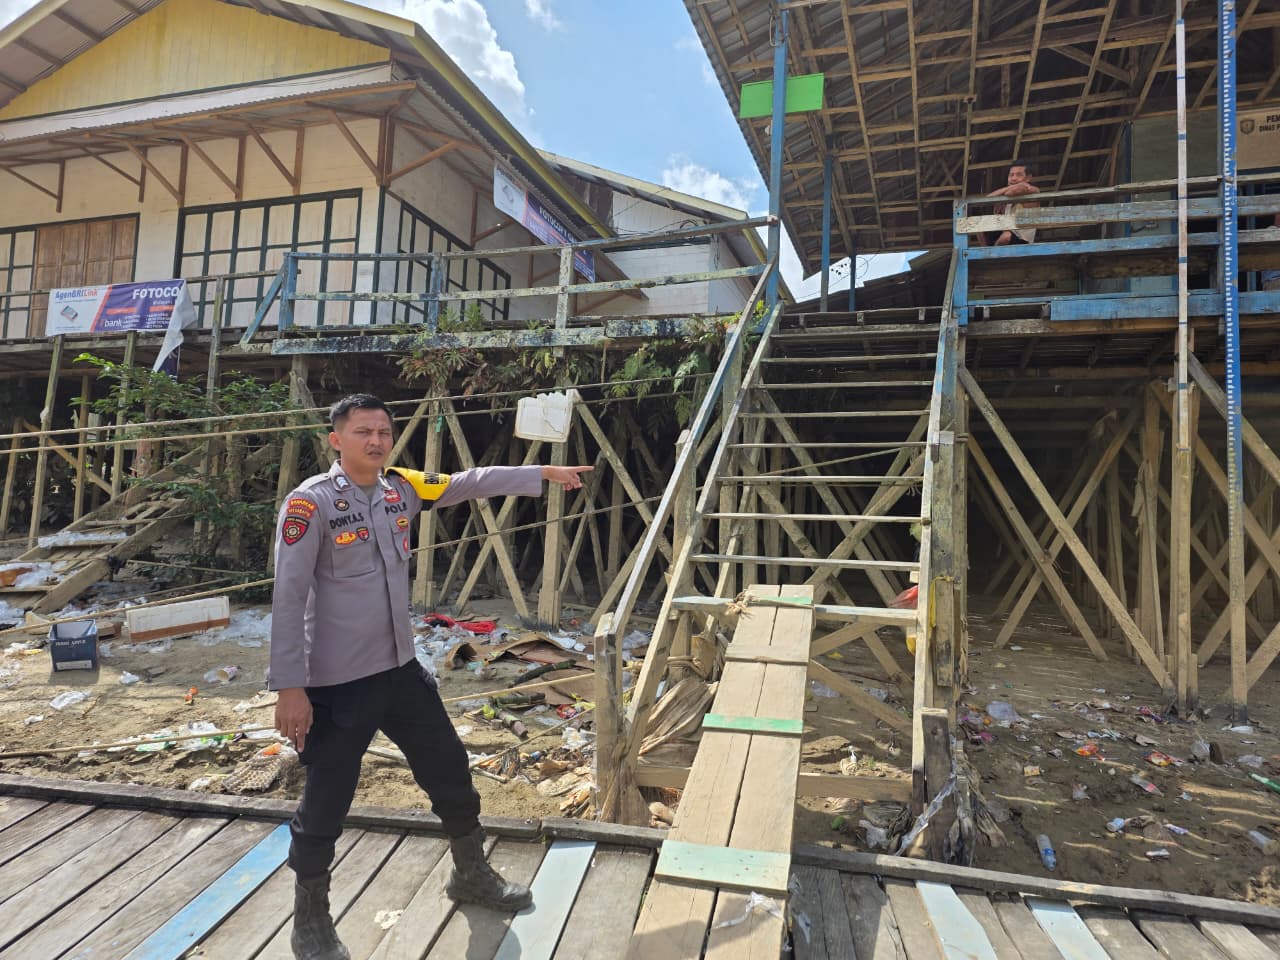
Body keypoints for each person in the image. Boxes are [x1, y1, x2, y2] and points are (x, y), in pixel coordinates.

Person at [270, 393, 591, 960]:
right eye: (363, 431)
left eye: (384, 432)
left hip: (399, 671)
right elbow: (289, 598)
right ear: (335, 440)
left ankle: (471, 874)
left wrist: (539, 472)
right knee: (326, 801)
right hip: (337, 684)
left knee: (449, 769)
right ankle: (310, 923)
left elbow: (467, 481)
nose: (376, 441)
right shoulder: (310, 505)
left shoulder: (401, 488)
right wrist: (290, 688)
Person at [979, 161, 1040, 247]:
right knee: (979, 224)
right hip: (1006, 237)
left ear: (1028, 178)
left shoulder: (1031, 193)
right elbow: (987, 198)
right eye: (1011, 175)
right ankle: (986, 252)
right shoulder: (1007, 202)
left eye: (1019, 175)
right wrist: (1010, 188)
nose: (1014, 178)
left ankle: (992, 253)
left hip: (1023, 242)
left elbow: (1012, 192)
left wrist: (1008, 190)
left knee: (1006, 235)